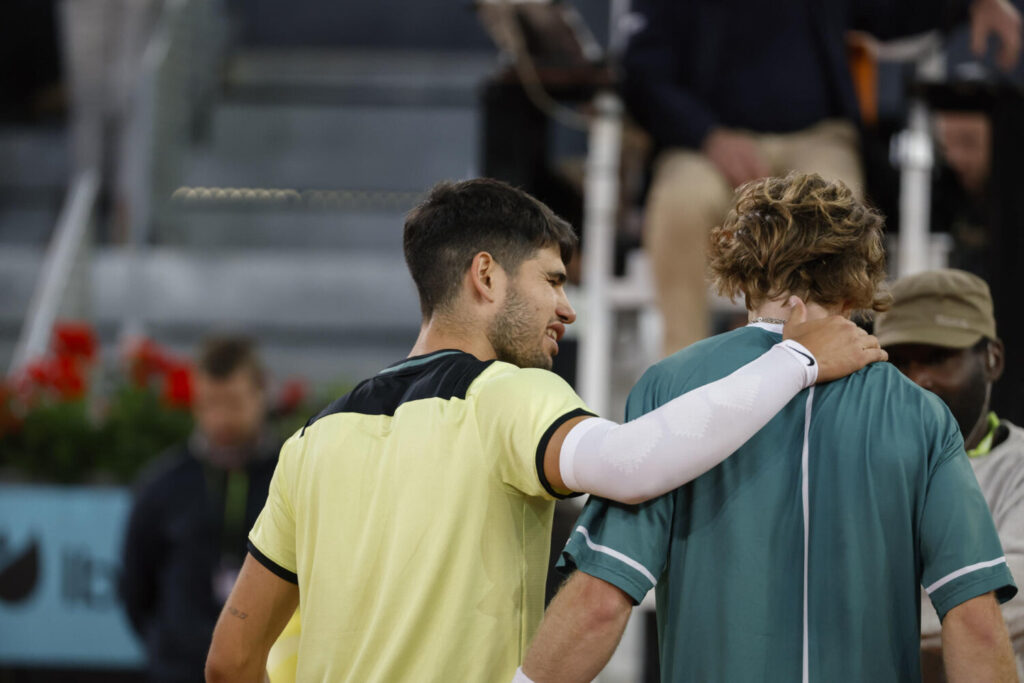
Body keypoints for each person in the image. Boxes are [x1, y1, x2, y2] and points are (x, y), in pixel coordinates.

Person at [204, 178, 885, 682]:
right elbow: (634, 464)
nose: (568, 309)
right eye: (553, 281)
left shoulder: (312, 440)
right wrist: (799, 360)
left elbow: (231, 660)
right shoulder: (506, 393)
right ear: (485, 276)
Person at [519, 173, 1017, 682]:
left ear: (745, 267)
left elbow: (601, 603)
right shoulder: (921, 413)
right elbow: (974, 622)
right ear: (858, 277)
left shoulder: (670, 389)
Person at [624, 0, 1022, 355]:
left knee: (837, 212)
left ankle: (821, 371)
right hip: (706, 145)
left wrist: (970, 3)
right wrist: (706, 135)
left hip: (817, 137)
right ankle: (683, 375)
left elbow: (892, 12)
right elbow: (642, 70)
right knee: (679, 203)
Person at [875, 268, 1024, 679]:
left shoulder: (1017, 466)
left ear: (992, 359)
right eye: (898, 361)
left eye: (938, 358)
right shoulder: (856, 463)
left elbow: (998, 607)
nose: (917, 381)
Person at [121, 336, 280, 683]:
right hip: (178, 671)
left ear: (261, 394)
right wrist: (169, 647)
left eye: (233, 403)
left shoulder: (291, 477)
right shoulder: (162, 487)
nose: (220, 418)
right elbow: (136, 590)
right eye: (209, 404)